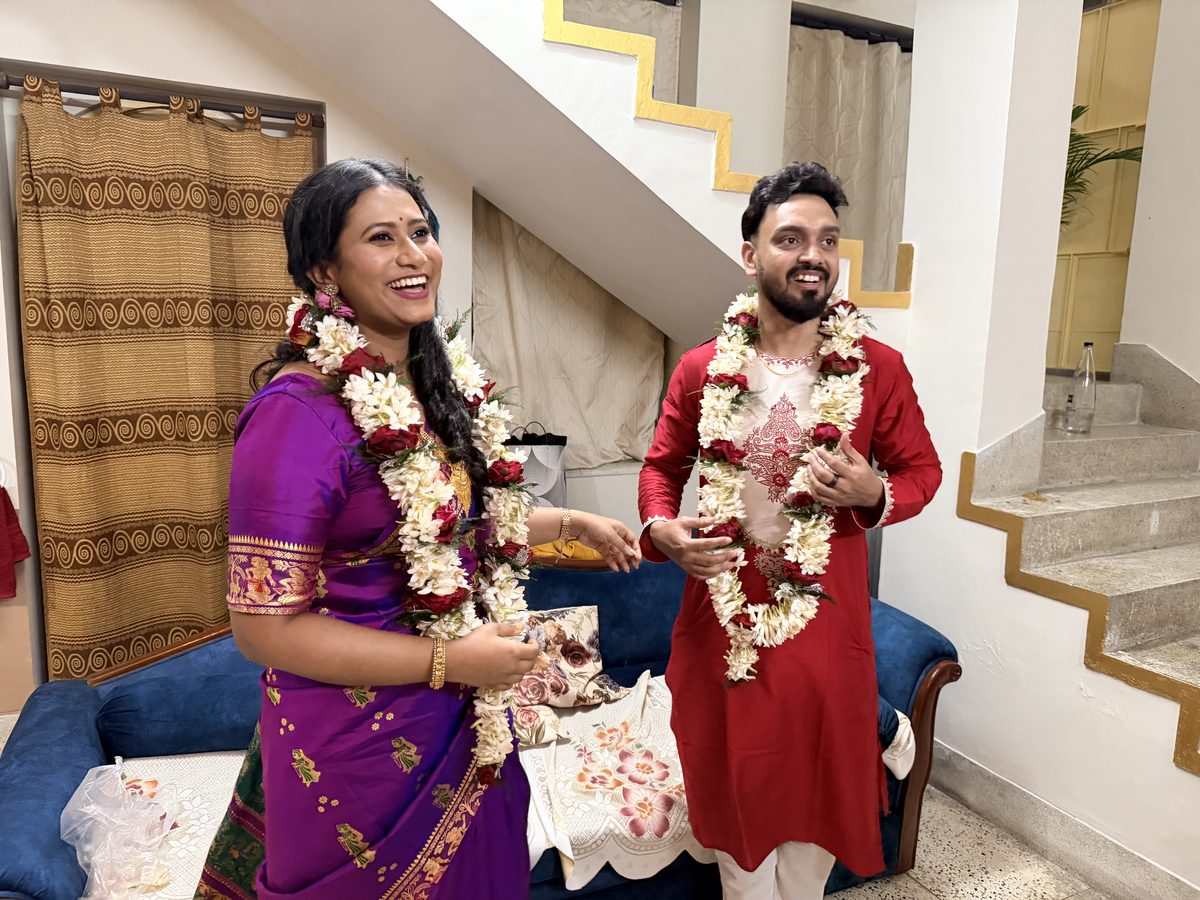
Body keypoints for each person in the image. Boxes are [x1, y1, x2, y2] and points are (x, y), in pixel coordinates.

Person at [196, 158, 641, 899]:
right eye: (380, 238)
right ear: (325, 272)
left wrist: (569, 522)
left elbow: (446, 524)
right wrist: (450, 664)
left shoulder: (430, 389)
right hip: (356, 749)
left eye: (421, 231)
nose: (413, 255)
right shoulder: (295, 418)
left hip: (468, 718)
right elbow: (262, 630)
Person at [638, 161, 941, 899]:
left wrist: (876, 493)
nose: (814, 255)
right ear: (750, 254)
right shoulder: (702, 369)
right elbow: (660, 468)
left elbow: (924, 473)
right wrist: (660, 529)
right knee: (740, 815)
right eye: (792, 237)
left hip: (826, 631)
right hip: (722, 626)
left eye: (828, 240)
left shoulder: (878, 371)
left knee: (814, 817)